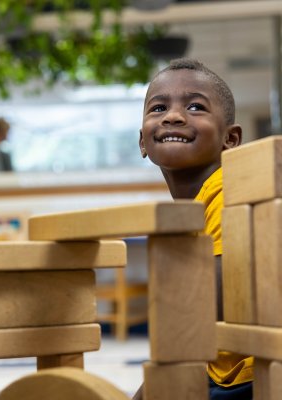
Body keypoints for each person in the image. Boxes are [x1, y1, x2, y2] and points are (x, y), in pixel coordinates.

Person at [135, 58, 253, 399]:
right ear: (142, 141)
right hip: (221, 367)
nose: (173, 115)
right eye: (158, 107)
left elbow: (207, 305)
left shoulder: (227, 189)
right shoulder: (194, 209)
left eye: (195, 106)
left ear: (230, 139)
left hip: (250, 373)